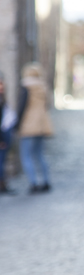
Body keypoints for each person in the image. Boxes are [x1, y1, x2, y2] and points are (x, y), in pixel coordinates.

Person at [17, 62, 53, 193]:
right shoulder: (43, 86)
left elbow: (22, 106)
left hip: (29, 124)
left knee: (26, 155)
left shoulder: (26, 86)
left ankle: (33, 183)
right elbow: (48, 105)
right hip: (42, 124)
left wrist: (17, 124)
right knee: (40, 154)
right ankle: (46, 181)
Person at [0, 73, 18, 194]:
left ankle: (3, 184)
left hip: (6, 131)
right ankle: (2, 185)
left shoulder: (2, 97)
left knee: (3, 159)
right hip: (2, 134)